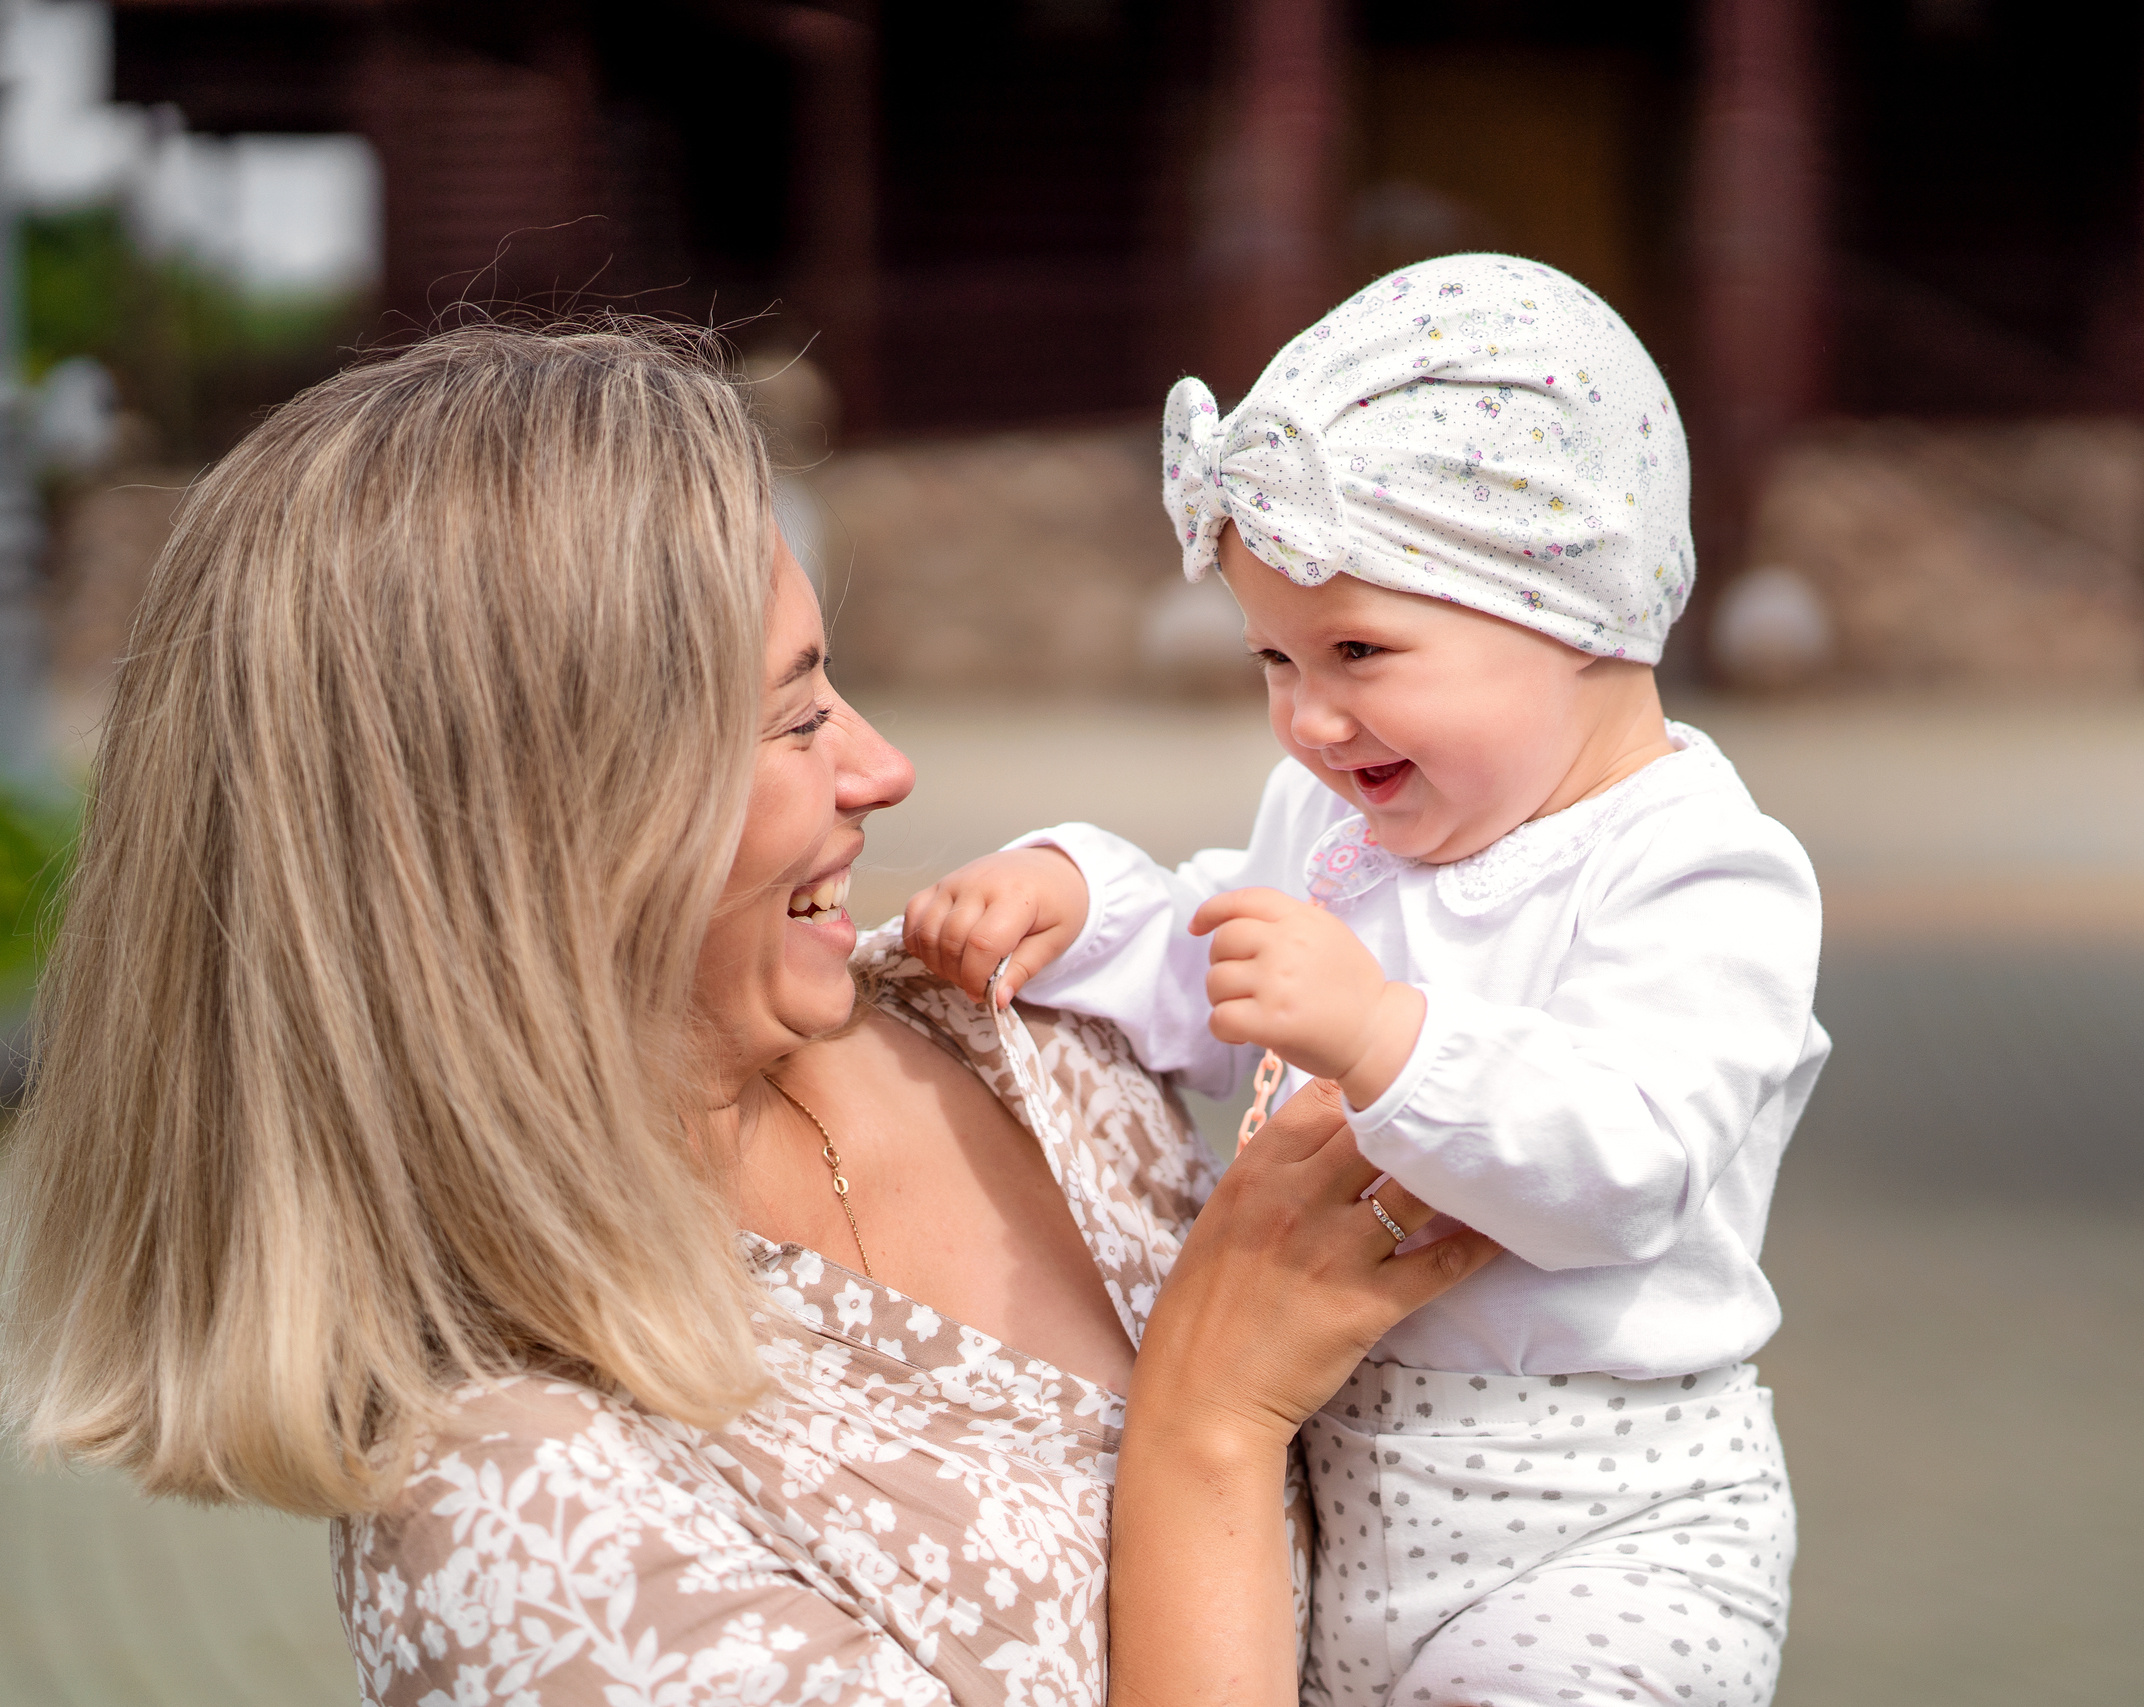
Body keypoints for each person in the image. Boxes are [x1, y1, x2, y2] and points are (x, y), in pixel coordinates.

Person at [0, 322, 1496, 1707]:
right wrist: (1208, 1434)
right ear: (544, 832)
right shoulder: (522, 1529)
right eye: (793, 718)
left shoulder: (1012, 1023)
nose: (886, 769)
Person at [906, 253, 1830, 1707]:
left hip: (1601, 1529)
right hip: (1350, 1491)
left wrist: (1386, 1032)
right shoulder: (1342, 834)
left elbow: (1628, 1166)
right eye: (1275, 657)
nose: (1310, 718)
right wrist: (1075, 898)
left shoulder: (1699, 870)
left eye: (1360, 650)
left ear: (1574, 611)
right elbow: (1216, 957)